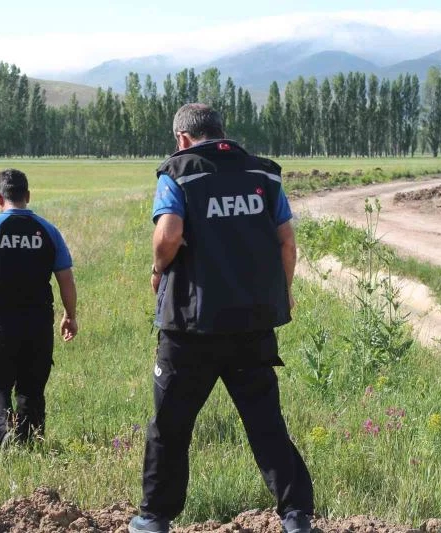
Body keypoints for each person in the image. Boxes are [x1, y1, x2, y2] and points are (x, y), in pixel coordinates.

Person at [128, 104, 314, 533]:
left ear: (182, 138)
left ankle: (154, 518)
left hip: (190, 326)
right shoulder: (263, 175)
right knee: (265, 423)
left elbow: (170, 233)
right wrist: (283, 293)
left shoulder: (177, 172)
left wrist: (158, 268)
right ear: (220, 132)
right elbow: (286, 242)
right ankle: (296, 516)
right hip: (252, 323)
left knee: (170, 426)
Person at [0, 168, 78, 448]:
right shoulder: (49, 231)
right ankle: (31, 445)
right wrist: (70, 316)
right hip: (38, 325)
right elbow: (66, 279)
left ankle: (6, 437)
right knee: (31, 389)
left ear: (0, 199)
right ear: (27, 196)